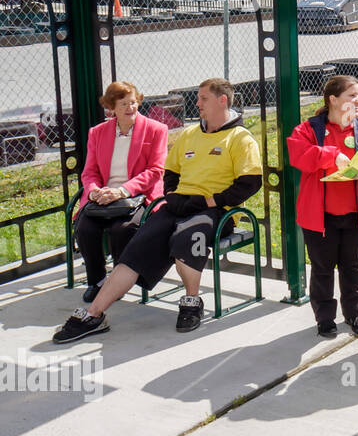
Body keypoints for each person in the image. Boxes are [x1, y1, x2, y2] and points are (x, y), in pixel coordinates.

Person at [53, 78, 263, 344]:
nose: (197, 103)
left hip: (215, 211)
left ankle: (192, 300)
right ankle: (94, 314)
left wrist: (210, 201)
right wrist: (174, 196)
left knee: (186, 240)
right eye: (197, 97)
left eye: (203, 98)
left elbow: (250, 182)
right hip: (178, 206)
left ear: (223, 100)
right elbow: (170, 173)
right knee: (136, 248)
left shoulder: (240, 138)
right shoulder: (189, 134)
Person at [287, 75, 358, 338]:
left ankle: (355, 314)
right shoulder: (309, 130)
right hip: (319, 216)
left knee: (352, 266)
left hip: (355, 214)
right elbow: (299, 155)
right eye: (352, 95)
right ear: (332, 100)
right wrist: (333, 156)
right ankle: (325, 318)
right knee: (322, 268)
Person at [73, 81, 168, 303]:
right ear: (111, 108)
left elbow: (156, 171)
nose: (130, 108)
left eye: (134, 102)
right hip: (104, 196)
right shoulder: (97, 133)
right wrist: (95, 191)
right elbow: (89, 172)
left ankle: (118, 281)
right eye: (123, 104)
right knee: (85, 227)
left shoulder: (156, 130)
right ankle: (96, 281)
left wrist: (123, 191)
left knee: (123, 228)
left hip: (138, 195)